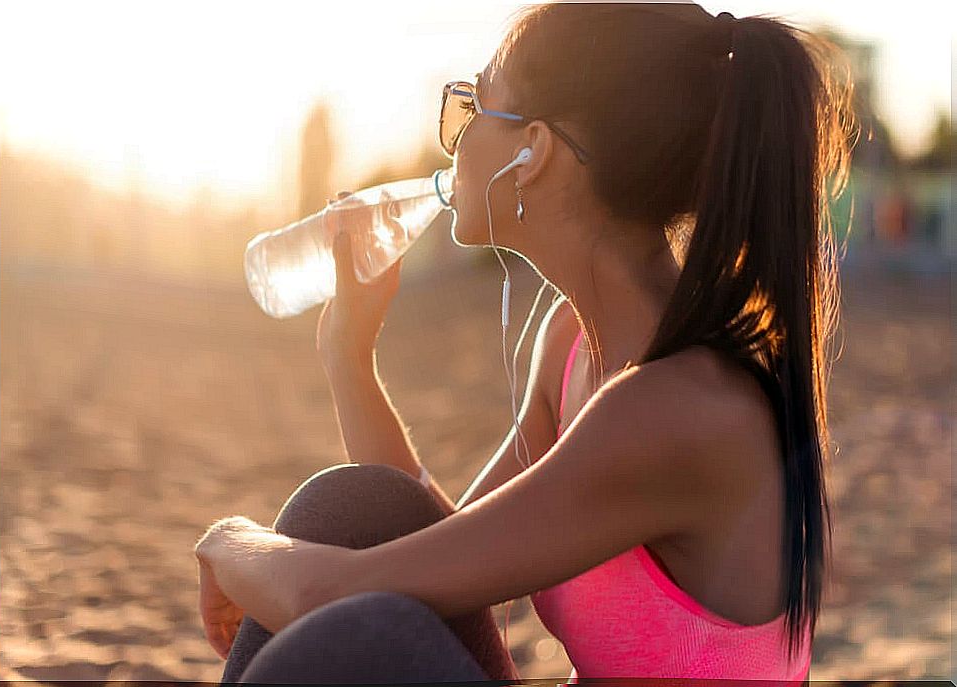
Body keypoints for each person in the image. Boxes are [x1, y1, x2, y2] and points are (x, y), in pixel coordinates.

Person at [194, 2, 856, 683]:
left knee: (359, 629)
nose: (453, 137)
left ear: (531, 151)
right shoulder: (571, 340)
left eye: (475, 103)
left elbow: (331, 593)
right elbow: (433, 549)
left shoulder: (677, 409)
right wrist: (348, 358)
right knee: (357, 507)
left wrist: (226, 542)